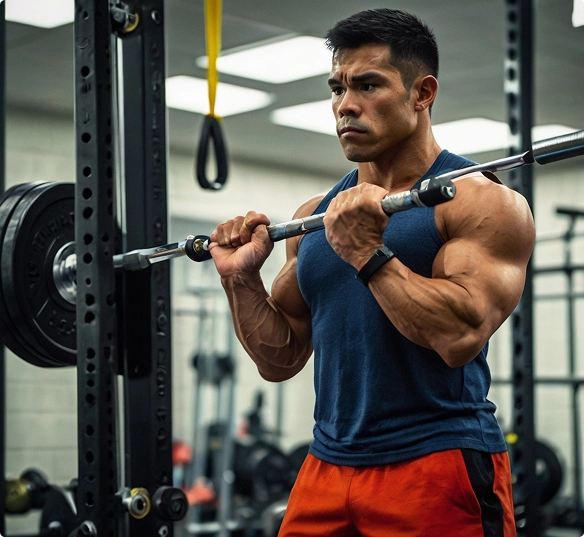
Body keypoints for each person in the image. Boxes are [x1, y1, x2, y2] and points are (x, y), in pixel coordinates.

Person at [208, 8, 535, 537]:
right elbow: (282, 357)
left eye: (367, 85)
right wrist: (240, 279)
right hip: (326, 464)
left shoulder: (478, 201)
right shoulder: (317, 215)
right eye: (336, 88)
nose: (345, 106)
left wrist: (367, 253)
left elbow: (458, 336)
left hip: (435, 460)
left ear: (422, 93)